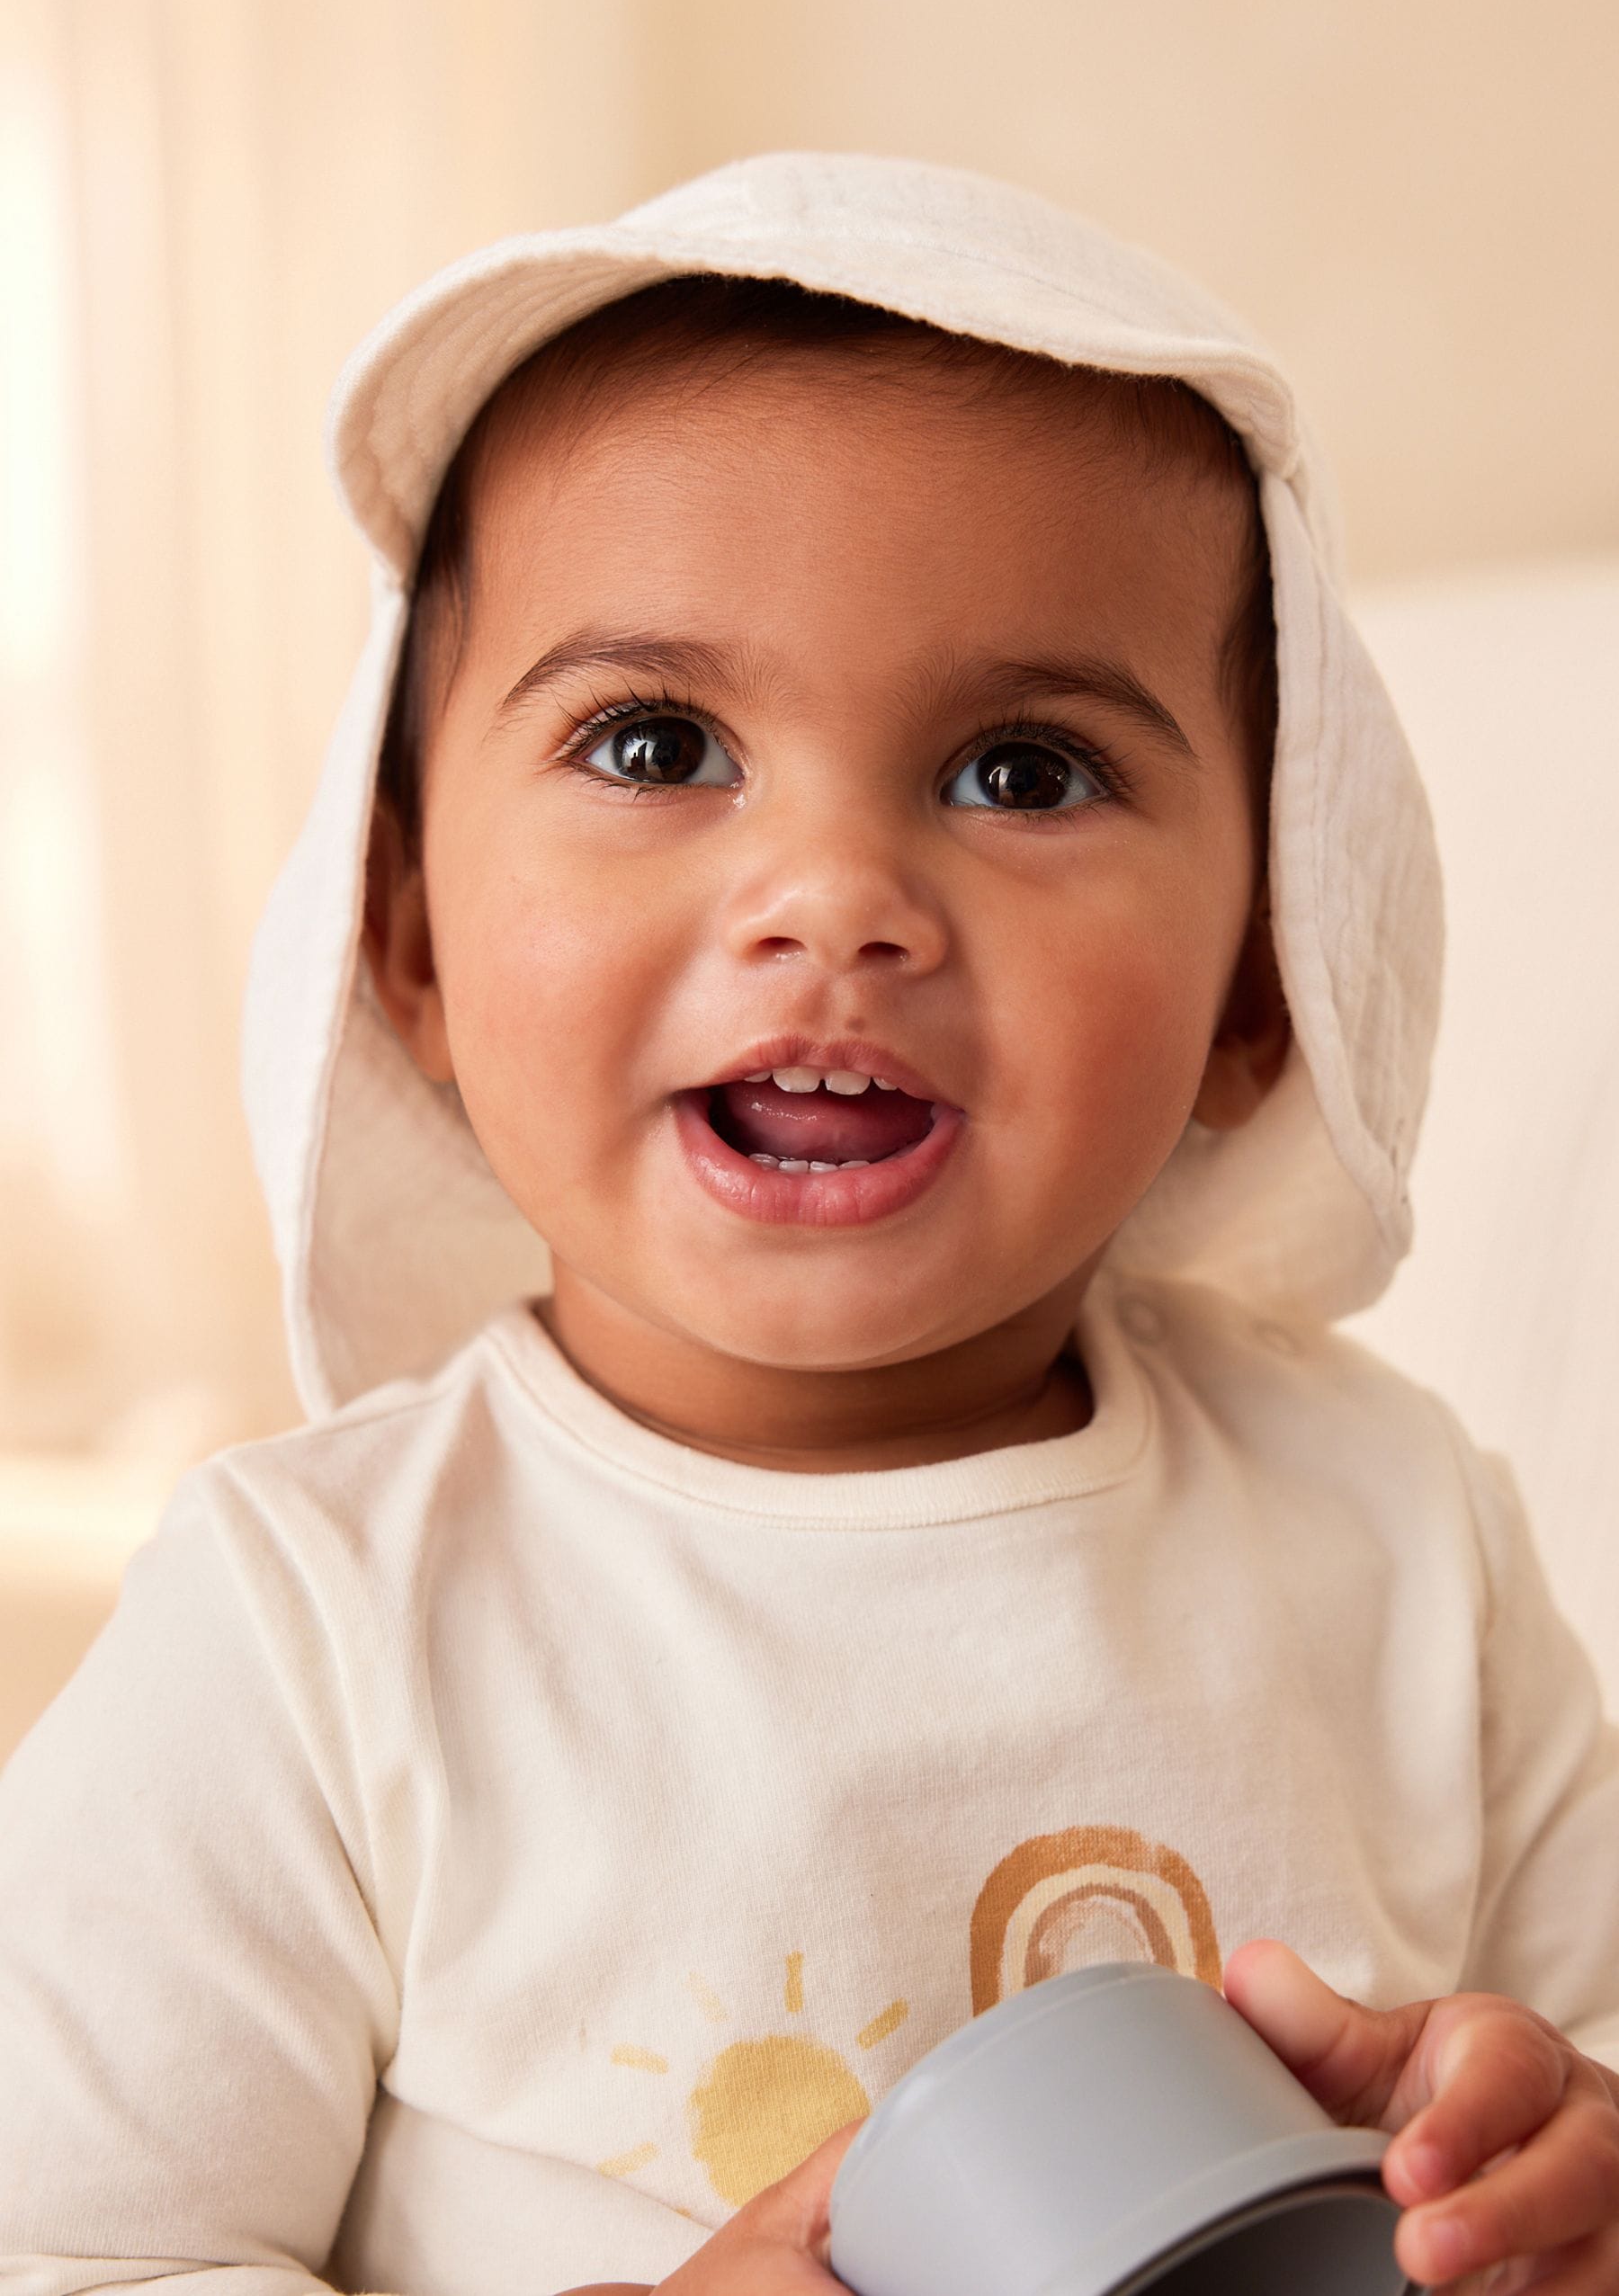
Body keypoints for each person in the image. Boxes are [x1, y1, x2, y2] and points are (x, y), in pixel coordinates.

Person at [2, 152, 1615, 2296]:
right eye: (657, 741)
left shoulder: (1399, 1532)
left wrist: (1567, 2162)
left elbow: (1586, 2062)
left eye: (1023, 773)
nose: (835, 894)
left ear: (1263, 982)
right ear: (403, 941)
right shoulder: (315, 1629)